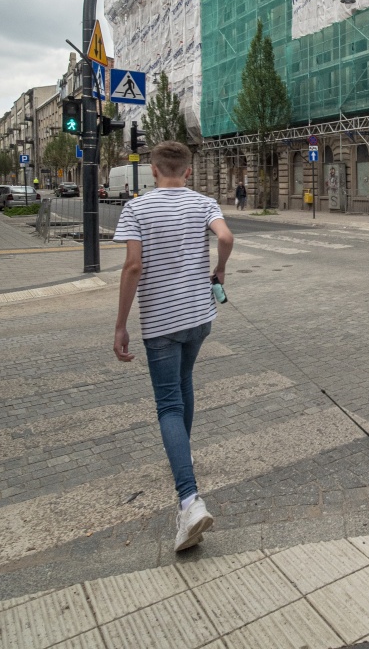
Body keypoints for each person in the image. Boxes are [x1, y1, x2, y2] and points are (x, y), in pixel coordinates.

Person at [112, 141, 234, 552]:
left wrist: (120, 326)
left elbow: (133, 266)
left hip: (161, 322)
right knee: (184, 384)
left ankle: (189, 501)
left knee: (168, 404)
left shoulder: (137, 208)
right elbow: (227, 236)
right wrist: (219, 270)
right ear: (188, 171)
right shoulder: (204, 203)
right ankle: (182, 458)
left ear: (152, 169)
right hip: (200, 317)